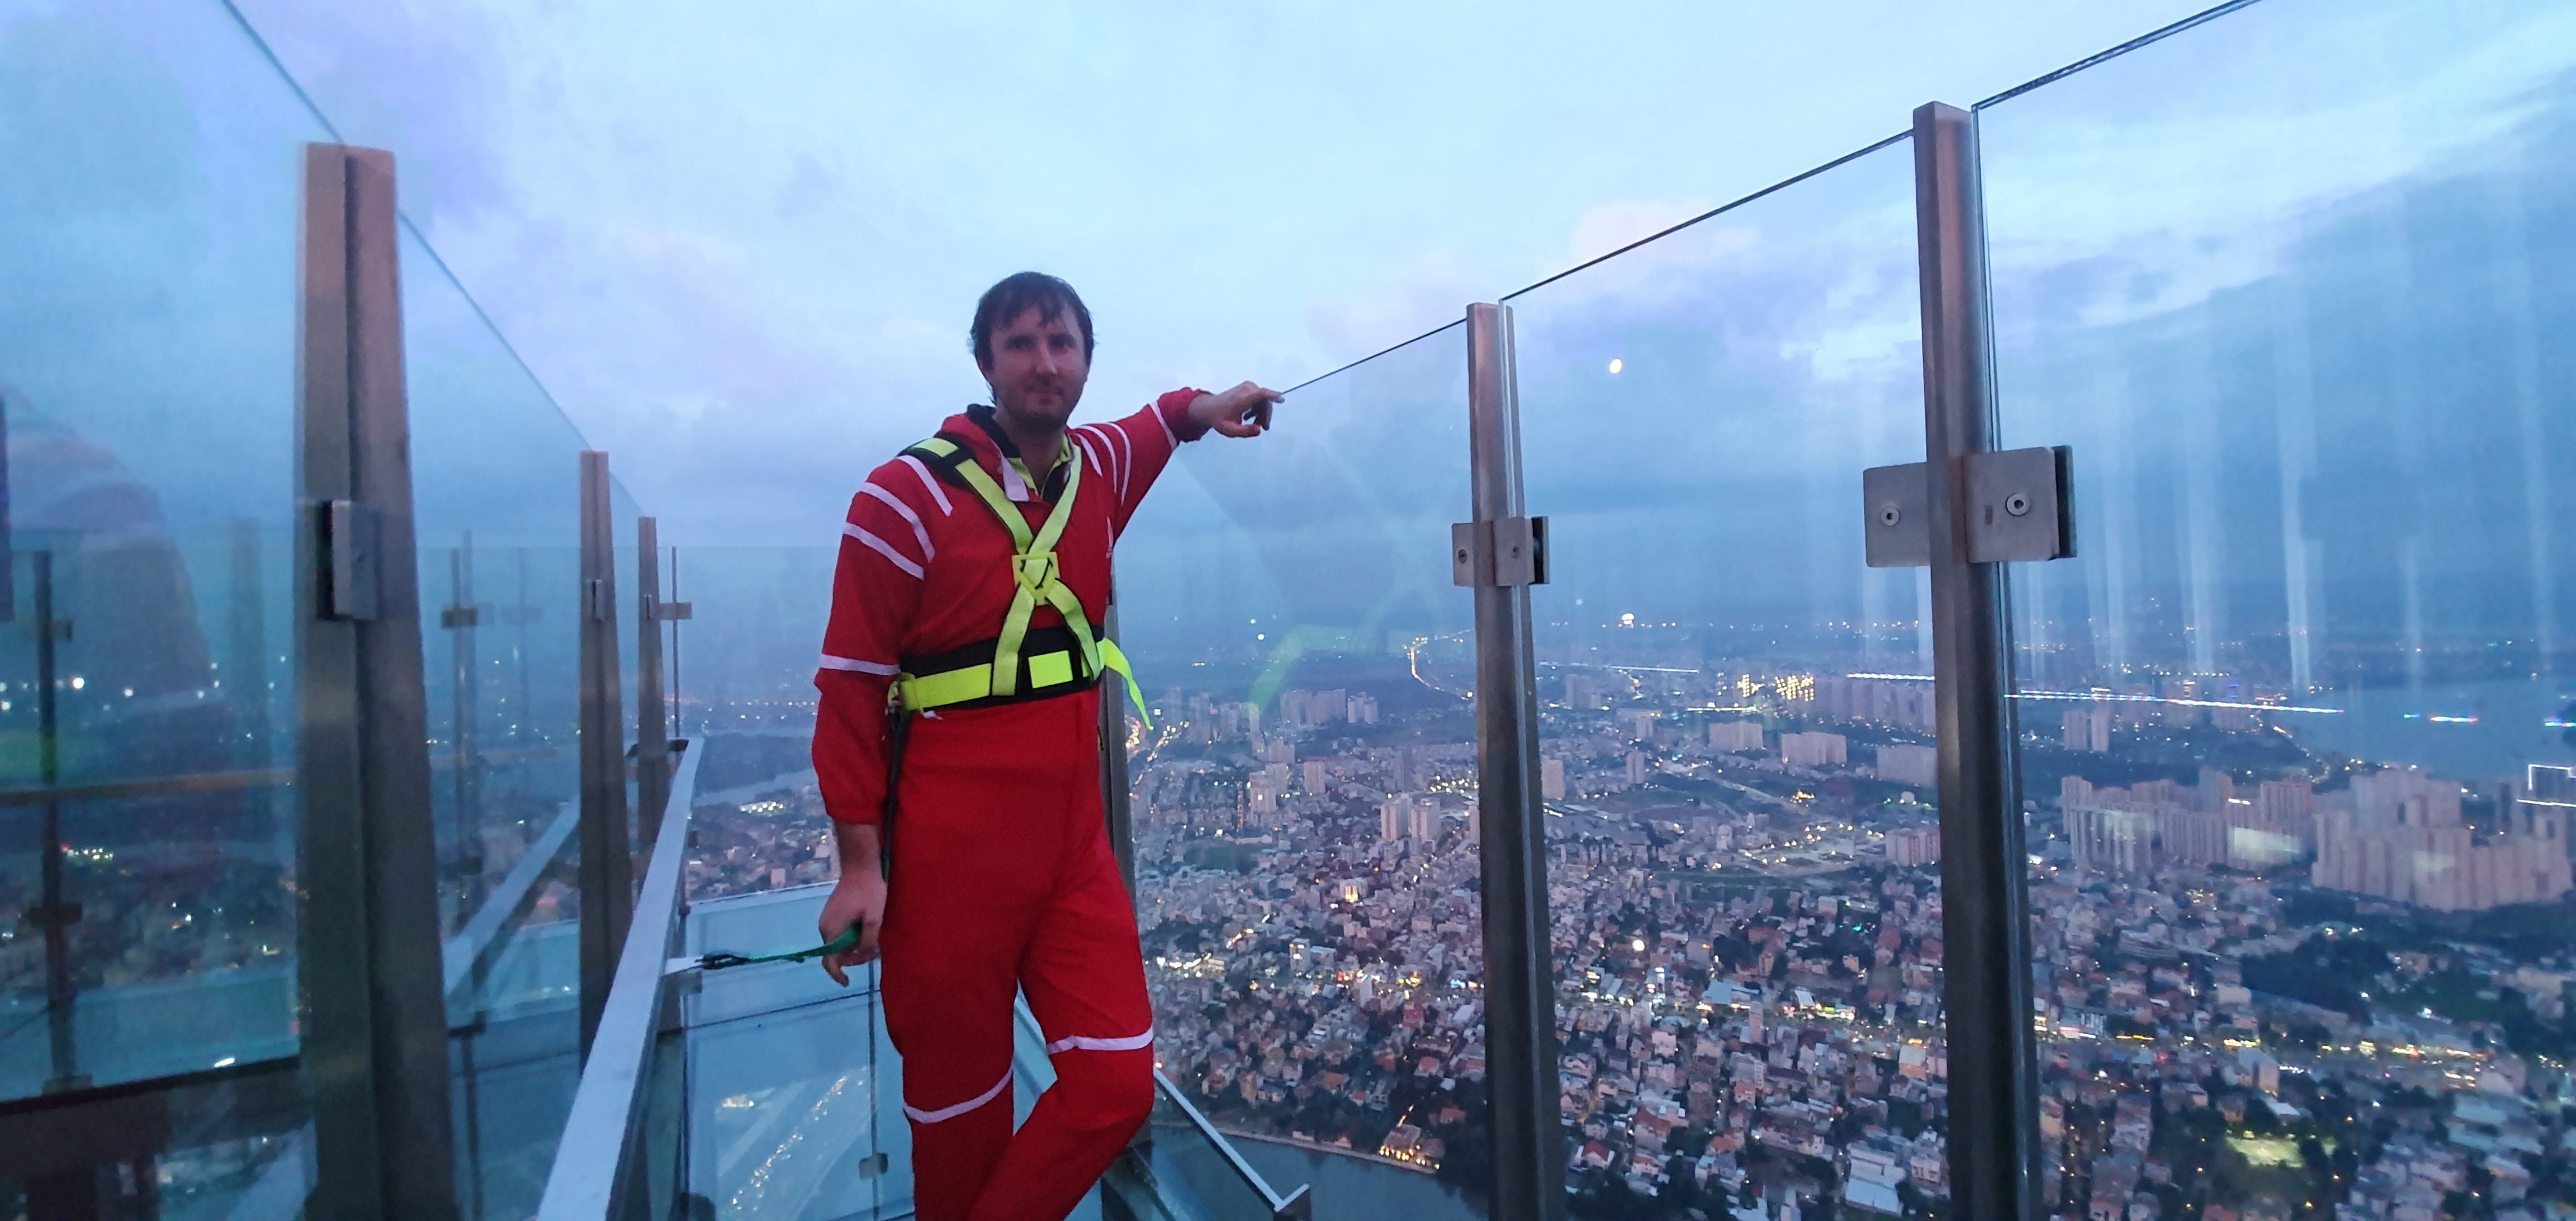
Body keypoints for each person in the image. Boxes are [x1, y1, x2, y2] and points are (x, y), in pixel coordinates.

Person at [808, 271, 1277, 1220]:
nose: (1044, 363)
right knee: (958, 1128)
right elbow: (852, 687)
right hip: (948, 861)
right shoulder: (902, 498)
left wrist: (1209, 405)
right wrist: (860, 865)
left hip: (1071, 851)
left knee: (1114, 1086)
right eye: (1021, 343)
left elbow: (1161, 422)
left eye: (1063, 345)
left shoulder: (1096, 468)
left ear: (1085, 364)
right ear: (985, 361)